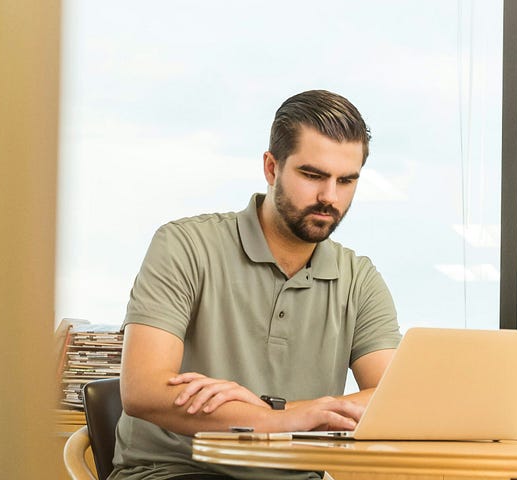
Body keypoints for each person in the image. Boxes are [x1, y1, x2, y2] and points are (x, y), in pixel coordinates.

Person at [110, 90, 402, 480]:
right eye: (312, 175)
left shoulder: (359, 279)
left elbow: (392, 401)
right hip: (176, 471)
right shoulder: (184, 245)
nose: (329, 197)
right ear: (271, 167)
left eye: (346, 180)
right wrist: (285, 421)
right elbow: (143, 390)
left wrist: (276, 410)